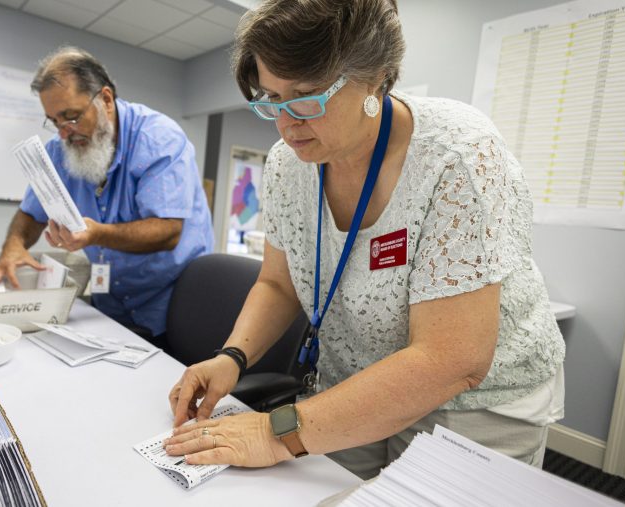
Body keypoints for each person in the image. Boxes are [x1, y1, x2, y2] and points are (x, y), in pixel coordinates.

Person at [164, 0, 565, 479]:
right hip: (353, 383)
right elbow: (278, 283)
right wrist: (232, 357)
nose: (287, 124)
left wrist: (275, 433)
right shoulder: (286, 164)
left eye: (306, 96)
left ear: (375, 77)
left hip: (474, 400)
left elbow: (453, 359)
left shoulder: (458, 155)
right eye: (269, 99)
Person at [0, 47, 214, 348]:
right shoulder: (58, 150)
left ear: (105, 99)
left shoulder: (159, 139)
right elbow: (29, 214)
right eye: (54, 121)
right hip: (110, 303)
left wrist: (95, 234)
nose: (64, 133)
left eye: (72, 117)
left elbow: (167, 231)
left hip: (172, 303)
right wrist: (13, 247)